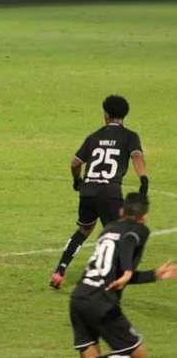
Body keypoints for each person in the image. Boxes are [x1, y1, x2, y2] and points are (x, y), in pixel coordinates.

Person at [50, 95, 149, 289]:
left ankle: (59, 271)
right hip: (110, 192)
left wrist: (77, 180)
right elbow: (136, 157)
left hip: (88, 191)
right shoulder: (130, 136)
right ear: (124, 115)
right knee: (119, 235)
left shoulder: (94, 136)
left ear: (106, 114)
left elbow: (75, 163)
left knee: (84, 230)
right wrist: (143, 179)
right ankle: (112, 277)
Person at [69, 192, 177, 358]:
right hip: (102, 301)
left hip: (79, 297)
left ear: (122, 211)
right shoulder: (140, 230)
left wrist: (154, 275)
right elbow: (129, 241)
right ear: (144, 216)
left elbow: (116, 277)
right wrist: (128, 270)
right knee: (138, 354)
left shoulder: (107, 230)